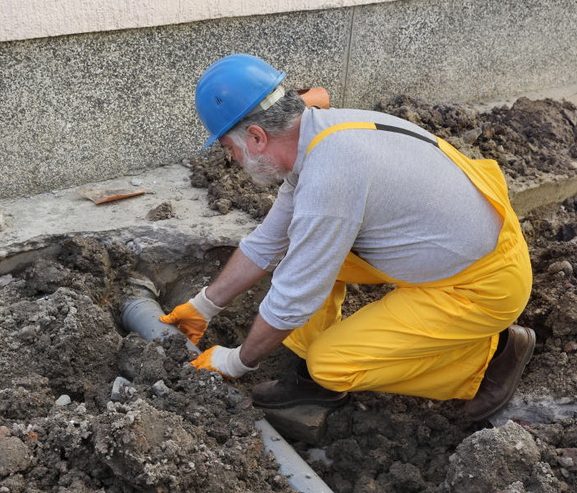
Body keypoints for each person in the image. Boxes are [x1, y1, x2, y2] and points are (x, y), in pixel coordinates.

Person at [160, 54, 535, 420]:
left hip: (480, 286)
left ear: (256, 137)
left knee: (332, 364)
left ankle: (493, 355)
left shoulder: (331, 177)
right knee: (307, 252)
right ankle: (305, 372)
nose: (234, 161)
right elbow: (269, 242)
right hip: (452, 245)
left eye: (230, 150)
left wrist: (237, 361)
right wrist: (203, 307)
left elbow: (293, 298)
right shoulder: (317, 133)